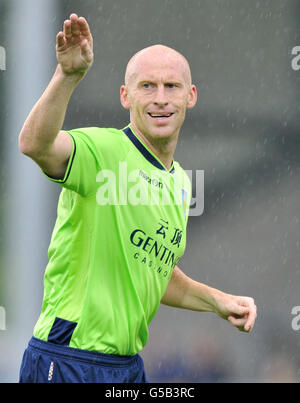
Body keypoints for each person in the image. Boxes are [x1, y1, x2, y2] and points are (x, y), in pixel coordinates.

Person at [18, 14, 257, 383]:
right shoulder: (103, 151)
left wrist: (218, 301)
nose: (161, 99)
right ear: (125, 96)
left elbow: (152, 272)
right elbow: (34, 144)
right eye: (147, 86)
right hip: (69, 358)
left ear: (190, 96)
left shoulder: (180, 182)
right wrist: (67, 76)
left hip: (127, 367)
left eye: (171, 86)